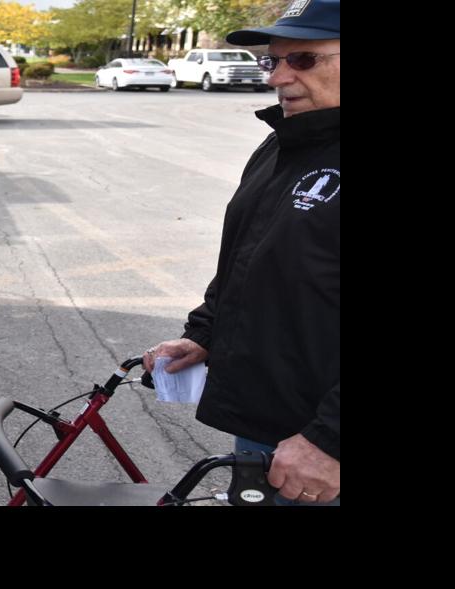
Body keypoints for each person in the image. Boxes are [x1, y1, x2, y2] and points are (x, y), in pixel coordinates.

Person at [141, 0, 340, 505]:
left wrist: (328, 442)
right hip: (273, 425)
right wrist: (205, 332)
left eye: (304, 60)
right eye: (273, 60)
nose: (277, 77)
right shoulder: (283, 144)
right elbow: (248, 258)